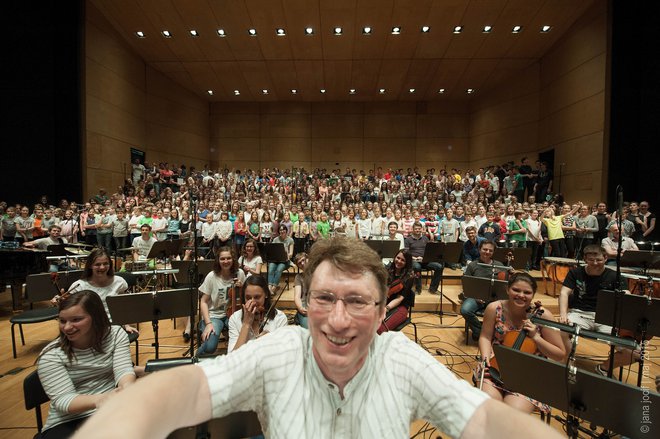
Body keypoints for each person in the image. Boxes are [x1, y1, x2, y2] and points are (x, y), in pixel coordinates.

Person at [73, 237, 562, 439]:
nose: (339, 319)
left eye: (358, 302)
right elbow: (177, 390)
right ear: (304, 304)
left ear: (381, 311)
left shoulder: (402, 357)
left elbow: (489, 423)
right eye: (325, 299)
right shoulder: (278, 352)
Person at [38, 290, 136, 438]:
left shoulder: (115, 334)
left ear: (96, 317)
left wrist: (127, 389)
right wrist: (102, 399)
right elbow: (64, 400)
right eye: (62, 321)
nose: (67, 327)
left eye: (76, 320)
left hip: (109, 409)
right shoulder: (50, 355)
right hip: (68, 421)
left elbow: (123, 370)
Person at [478, 272, 564, 413]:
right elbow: (485, 337)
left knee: (511, 415)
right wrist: (486, 359)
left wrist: (536, 337)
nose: (521, 295)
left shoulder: (543, 315)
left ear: (534, 294)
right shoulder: (494, 308)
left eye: (527, 292)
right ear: (507, 289)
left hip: (529, 376)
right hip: (496, 367)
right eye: (516, 290)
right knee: (490, 409)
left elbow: (559, 354)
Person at [558, 244, 630, 373]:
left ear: (606, 258)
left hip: (606, 318)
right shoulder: (576, 272)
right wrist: (563, 314)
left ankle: (604, 368)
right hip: (580, 313)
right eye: (591, 260)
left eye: (599, 260)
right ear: (585, 259)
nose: (595, 263)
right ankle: (569, 360)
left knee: (633, 352)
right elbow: (564, 293)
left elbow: (627, 296)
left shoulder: (616, 276)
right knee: (564, 329)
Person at [197, 246, 246, 356]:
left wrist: (242, 288)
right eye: (222, 259)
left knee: (244, 339)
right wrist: (208, 323)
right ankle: (194, 360)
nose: (226, 261)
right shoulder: (212, 276)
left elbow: (246, 297)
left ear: (233, 259)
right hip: (215, 316)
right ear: (218, 260)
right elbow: (203, 301)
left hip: (234, 314)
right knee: (209, 347)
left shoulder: (240, 274)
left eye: (228, 258)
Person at [227, 275, 287, 353]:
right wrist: (246, 324)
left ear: (266, 295)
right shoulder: (235, 318)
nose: (253, 302)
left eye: (257, 297)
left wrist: (270, 343)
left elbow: (284, 355)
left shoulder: (280, 318)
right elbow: (232, 357)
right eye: (248, 298)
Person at [461, 240, 506, 341]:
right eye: (485, 249)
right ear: (479, 250)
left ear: (493, 252)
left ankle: (497, 334)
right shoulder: (473, 265)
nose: (487, 252)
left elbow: (504, 285)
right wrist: (476, 296)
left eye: (490, 250)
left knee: (506, 312)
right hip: (476, 297)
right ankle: (481, 332)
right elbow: (467, 285)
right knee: (465, 310)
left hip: (495, 299)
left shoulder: (499, 265)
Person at [378, 249, 415, 334]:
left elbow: (399, 299)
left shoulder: (409, 276)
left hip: (400, 307)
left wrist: (385, 309)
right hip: (385, 303)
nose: (399, 261)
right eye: (398, 258)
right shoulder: (388, 269)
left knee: (380, 330)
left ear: (407, 263)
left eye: (403, 260)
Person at [405, 221, 444, 294]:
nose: (417, 230)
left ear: (422, 229)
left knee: (439, 267)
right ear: (413, 229)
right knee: (417, 267)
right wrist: (414, 258)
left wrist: (425, 258)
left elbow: (429, 251)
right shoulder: (408, 239)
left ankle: (433, 289)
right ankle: (418, 289)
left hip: (425, 260)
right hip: (414, 260)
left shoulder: (425, 238)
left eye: (419, 229)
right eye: (416, 229)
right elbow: (406, 252)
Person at [267, 225, 294, 292]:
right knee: (270, 269)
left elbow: (291, 254)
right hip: (276, 259)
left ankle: (273, 288)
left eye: (283, 230)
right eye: (280, 230)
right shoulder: (275, 239)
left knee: (279, 270)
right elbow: (272, 251)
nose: (282, 231)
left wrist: (286, 254)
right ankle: (269, 288)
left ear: (286, 231)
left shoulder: (290, 240)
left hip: (285, 261)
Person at [292, 252, 309, 328]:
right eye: (299, 263)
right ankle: (299, 316)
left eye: (304, 260)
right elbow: (297, 296)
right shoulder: (298, 277)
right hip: (305, 304)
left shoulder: (319, 272)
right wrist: (300, 308)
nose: (302, 263)